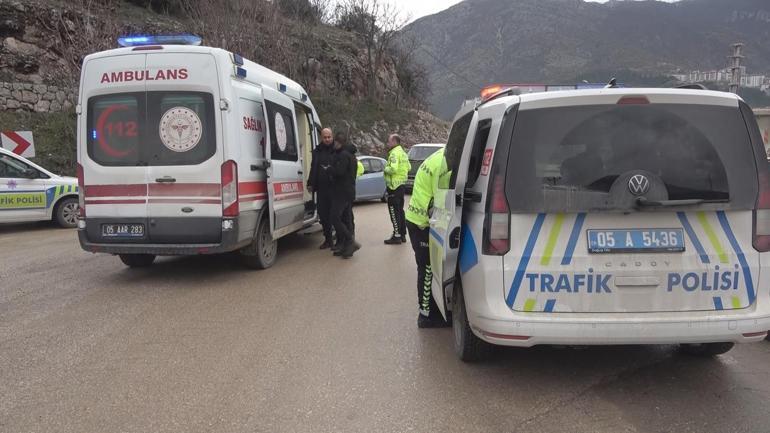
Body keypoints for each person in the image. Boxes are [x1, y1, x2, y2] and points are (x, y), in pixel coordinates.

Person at [405, 148, 451, 328]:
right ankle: (426, 316)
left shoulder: (440, 155)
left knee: (428, 267)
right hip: (421, 223)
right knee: (426, 269)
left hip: (418, 219)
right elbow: (441, 202)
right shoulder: (443, 164)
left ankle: (431, 310)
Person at [329, 132, 361, 259]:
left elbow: (340, 172)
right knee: (345, 219)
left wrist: (329, 169)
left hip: (341, 192)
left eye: (335, 143)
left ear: (338, 143)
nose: (333, 145)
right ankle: (346, 247)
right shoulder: (352, 156)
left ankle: (350, 241)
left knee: (335, 218)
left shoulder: (343, 155)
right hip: (349, 192)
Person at [307, 128, 336, 249]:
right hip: (321, 188)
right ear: (321, 138)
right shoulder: (317, 151)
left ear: (332, 136)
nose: (327, 139)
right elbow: (313, 167)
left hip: (335, 188)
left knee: (335, 216)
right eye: (325, 137)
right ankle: (328, 239)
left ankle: (339, 240)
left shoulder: (337, 150)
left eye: (329, 137)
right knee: (323, 215)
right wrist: (310, 183)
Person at [383, 134, 411, 245]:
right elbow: (408, 167)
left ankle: (397, 236)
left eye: (389, 141)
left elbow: (393, 169)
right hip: (401, 185)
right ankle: (402, 234)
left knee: (394, 212)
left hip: (393, 187)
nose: (387, 143)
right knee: (400, 210)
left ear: (394, 142)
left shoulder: (394, 153)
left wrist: (385, 168)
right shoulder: (403, 153)